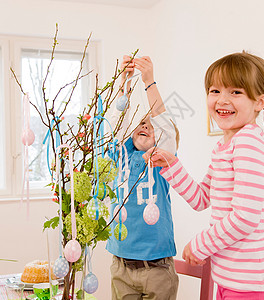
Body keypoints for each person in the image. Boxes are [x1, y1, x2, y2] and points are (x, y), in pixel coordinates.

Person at [143, 52, 264, 299]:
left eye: (235, 92)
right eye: (215, 91)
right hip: (231, 280)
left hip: (251, 287)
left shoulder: (249, 143)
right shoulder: (226, 146)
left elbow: (244, 217)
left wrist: (201, 245)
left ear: (259, 101)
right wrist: (170, 164)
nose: (223, 100)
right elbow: (201, 198)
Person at [106, 55, 179, 300]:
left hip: (156, 269)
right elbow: (117, 123)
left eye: (151, 124)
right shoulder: (120, 155)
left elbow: (166, 127)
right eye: (140, 122)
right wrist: (124, 84)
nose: (145, 125)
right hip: (121, 266)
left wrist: (149, 81)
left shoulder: (160, 160)